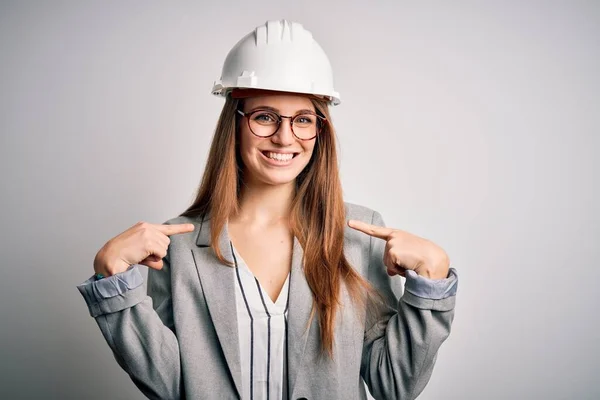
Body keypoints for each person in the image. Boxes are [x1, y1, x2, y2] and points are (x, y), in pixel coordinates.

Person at [77, 19, 459, 400]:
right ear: (236, 124)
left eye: (303, 120)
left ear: (320, 131)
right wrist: (114, 284)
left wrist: (431, 285)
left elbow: (393, 386)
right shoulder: (177, 243)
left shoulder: (360, 235)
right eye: (265, 117)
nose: (284, 136)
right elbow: (171, 386)